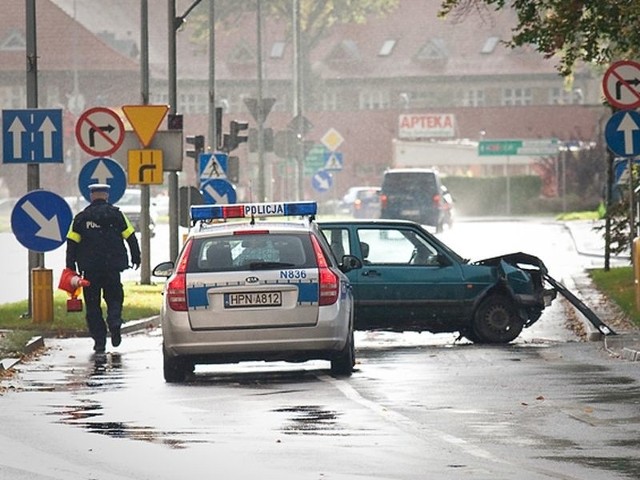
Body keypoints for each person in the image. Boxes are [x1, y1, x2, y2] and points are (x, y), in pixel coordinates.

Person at [65, 183, 141, 353]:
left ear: (91, 196)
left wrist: (70, 268)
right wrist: (136, 257)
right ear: (107, 195)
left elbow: (72, 244)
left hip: (90, 271)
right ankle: (114, 322)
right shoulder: (117, 215)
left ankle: (99, 341)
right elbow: (131, 237)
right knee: (114, 298)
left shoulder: (81, 218)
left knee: (93, 306)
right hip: (112, 269)